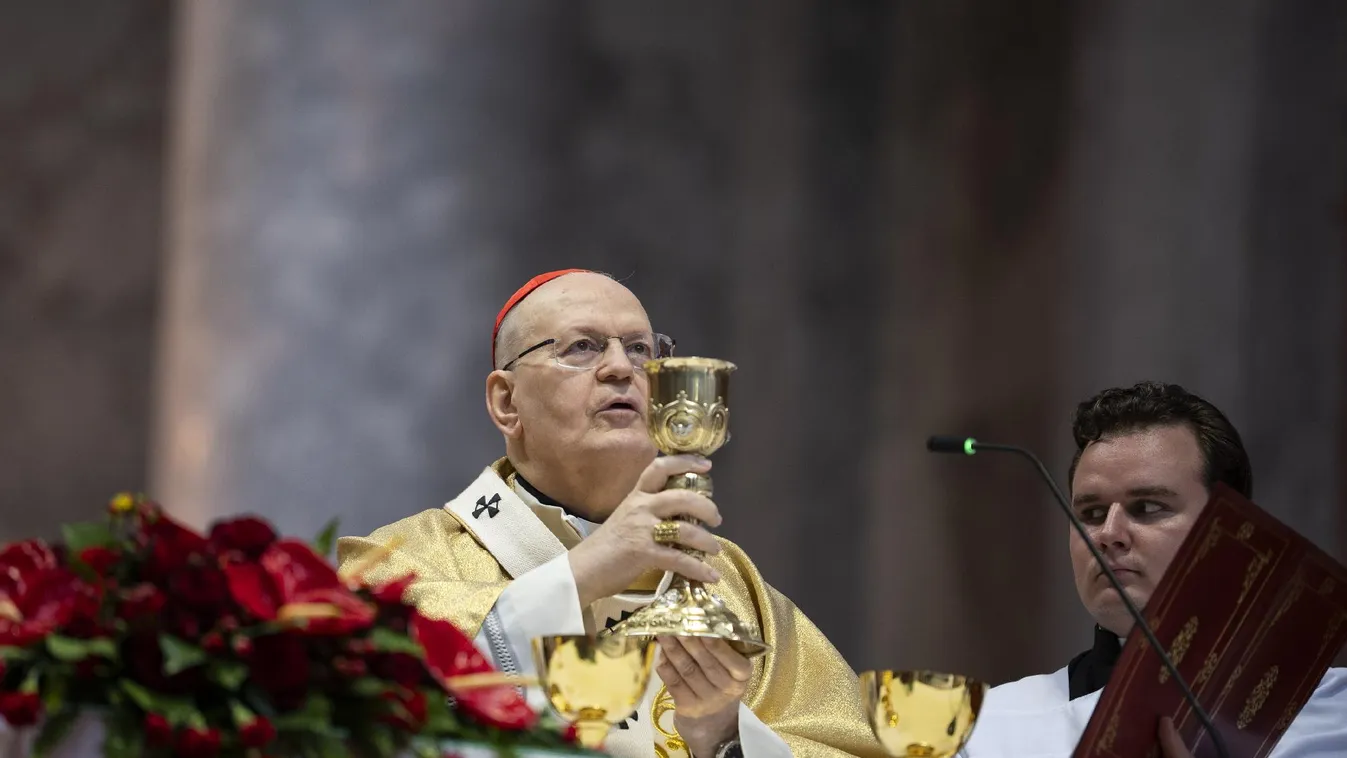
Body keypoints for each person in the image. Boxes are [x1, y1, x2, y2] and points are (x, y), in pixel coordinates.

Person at [337, 270, 882, 758]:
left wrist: (725, 739)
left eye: (642, 350)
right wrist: (581, 576)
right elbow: (352, 717)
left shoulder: (732, 588)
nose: (622, 368)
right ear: (507, 402)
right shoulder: (402, 561)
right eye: (581, 347)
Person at [961, 381, 1347, 758]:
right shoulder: (985, 728)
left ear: (1230, 532)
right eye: (1091, 514)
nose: (1108, 534)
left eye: (1147, 507)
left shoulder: (1336, 717)